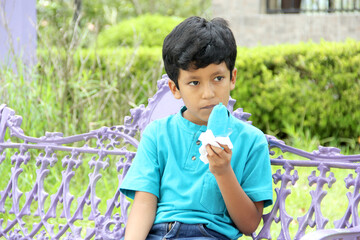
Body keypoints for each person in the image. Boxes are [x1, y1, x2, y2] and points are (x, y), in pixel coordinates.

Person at [119, 16, 273, 240]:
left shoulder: (251, 141)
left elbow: (249, 224)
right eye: (194, 82)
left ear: (232, 78)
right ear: (175, 88)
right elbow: (144, 204)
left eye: (218, 78)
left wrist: (223, 171)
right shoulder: (158, 134)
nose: (208, 93)